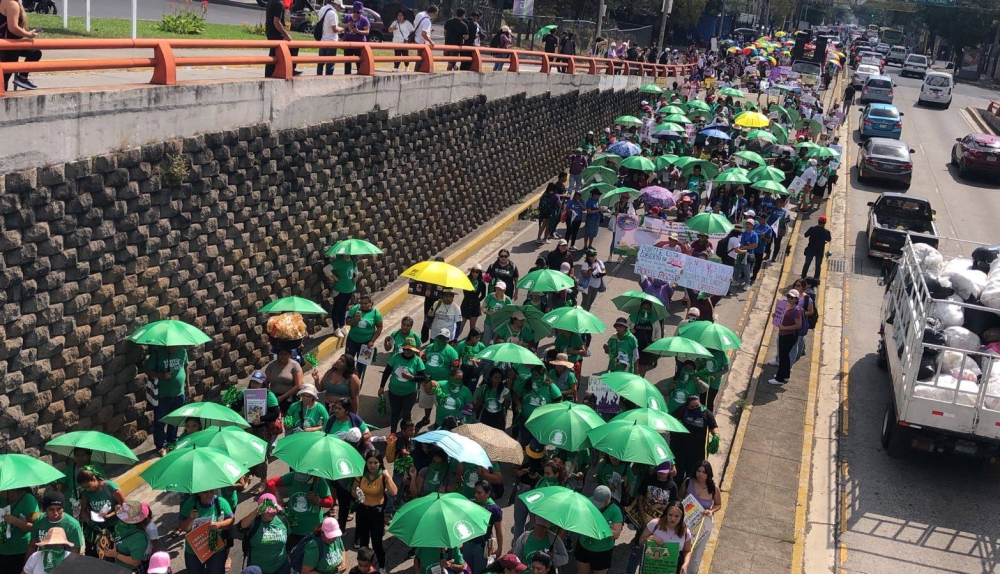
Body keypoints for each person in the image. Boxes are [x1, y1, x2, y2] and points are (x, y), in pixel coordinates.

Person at [233, 371, 280, 485]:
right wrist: (232, 400)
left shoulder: (269, 395)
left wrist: (261, 419)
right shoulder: (245, 392)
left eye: (258, 383)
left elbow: (275, 413)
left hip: (262, 428)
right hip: (247, 427)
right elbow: (236, 406)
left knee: (261, 455)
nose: (255, 385)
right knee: (246, 453)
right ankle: (248, 475)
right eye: (253, 382)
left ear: (263, 384)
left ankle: (263, 481)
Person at [266, 471, 333, 551]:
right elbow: (271, 482)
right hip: (293, 528)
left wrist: (316, 499)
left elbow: (330, 502)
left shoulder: (320, 481)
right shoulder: (294, 476)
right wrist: (277, 494)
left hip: (312, 529)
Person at [143, 344, 191, 456]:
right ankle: (160, 445)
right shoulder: (157, 354)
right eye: (171, 346)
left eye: (175, 346)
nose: (173, 348)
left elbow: (186, 367)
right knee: (160, 421)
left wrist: (188, 385)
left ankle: (172, 441)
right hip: (163, 395)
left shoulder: (182, 351)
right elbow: (148, 371)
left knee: (175, 419)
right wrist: (162, 375)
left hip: (179, 394)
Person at [352, 453, 397, 568]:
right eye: (370, 462)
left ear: (380, 463)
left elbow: (394, 492)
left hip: (376, 512)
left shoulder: (382, 476)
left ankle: (381, 566)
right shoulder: (361, 475)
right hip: (363, 511)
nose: (372, 465)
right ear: (366, 463)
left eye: (375, 463)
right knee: (363, 543)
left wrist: (388, 477)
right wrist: (357, 493)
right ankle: (364, 567)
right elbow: (353, 490)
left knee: (377, 544)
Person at [378, 336, 426, 433]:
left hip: (409, 393)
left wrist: (412, 377)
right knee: (395, 413)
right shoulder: (395, 357)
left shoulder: (417, 360)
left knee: (406, 414)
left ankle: (405, 433)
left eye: (411, 349)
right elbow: (387, 371)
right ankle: (393, 434)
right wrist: (382, 386)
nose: (408, 351)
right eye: (406, 349)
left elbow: (423, 377)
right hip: (394, 392)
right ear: (403, 349)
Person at [180, 490, 234, 574]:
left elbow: (231, 519)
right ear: (199, 493)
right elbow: (183, 528)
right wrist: (190, 518)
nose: (209, 495)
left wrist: (219, 525)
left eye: (211, 492)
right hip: (195, 548)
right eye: (205, 492)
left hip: (215, 548)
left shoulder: (220, 502)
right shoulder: (190, 504)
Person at [681, 462, 722, 573]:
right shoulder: (688, 482)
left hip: (702, 525)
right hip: (686, 521)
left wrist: (710, 511)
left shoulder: (713, 488)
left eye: (704, 472)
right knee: (681, 549)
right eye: (698, 471)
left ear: (708, 474)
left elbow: (718, 504)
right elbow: (680, 497)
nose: (700, 474)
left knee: (696, 554)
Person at [574, 486, 623, 574]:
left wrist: (600, 527)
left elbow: (616, 534)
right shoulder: (588, 501)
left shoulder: (615, 510)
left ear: (608, 500)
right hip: (583, 544)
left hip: (601, 551)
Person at [237, 494, 290, 574]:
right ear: (261, 511)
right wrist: (256, 511)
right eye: (269, 512)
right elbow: (241, 527)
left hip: (281, 567)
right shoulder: (254, 522)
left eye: (274, 510)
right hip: (258, 570)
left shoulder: (282, 520)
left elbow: (288, 538)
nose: (272, 513)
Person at [637, 501, 693, 574]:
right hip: (651, 567)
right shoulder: (655, 524)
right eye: (670, 515)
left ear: (681, 517)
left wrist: (685, 565)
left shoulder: (685, 532)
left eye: (676, 516)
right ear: (666, 514)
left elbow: (687, 551)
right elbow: (640, 541)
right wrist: (650, 539)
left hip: (672, 568)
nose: (672, 518)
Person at [53, 447, 106, 520]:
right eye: (77, 455)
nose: (80, 458)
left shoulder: (95, 467)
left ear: (89, 456)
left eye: (83, 455)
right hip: (73, 505)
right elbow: (61, 484)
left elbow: (103, 483)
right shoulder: (69, 469)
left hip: (93, 503)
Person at [463, 481, 504, 574]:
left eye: (479, 493)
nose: (476, 495)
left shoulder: (494, 509)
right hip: (467, 544)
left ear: (488, 493)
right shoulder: (470, 503)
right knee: (467, 571)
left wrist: (499, 549)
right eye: (475, 492)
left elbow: (499, 530)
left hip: (482, 548)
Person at [26, 492, 84, 558]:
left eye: (59, 509)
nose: (56, 513)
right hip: (43, 560)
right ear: (45, 510)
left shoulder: (72, 525)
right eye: (51, 509)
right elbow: (32, 546)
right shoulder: (39, 520)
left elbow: (75, 553)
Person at [0, 0, 40, 92]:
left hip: (11, 43)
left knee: (35, 52)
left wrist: (26, 32)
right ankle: (3, 98)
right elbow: (13, 28)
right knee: (5, 75)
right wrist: (28, 34)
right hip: (9, 44)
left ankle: (22, 78)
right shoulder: (11, 3)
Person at [769, 288, 804, 385]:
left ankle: (780, 378)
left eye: (792, 297)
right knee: (784, 356)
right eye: (788, 296)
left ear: (796, 299)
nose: (789, 299)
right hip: (783, 334)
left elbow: (798, 325)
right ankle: (785, 375)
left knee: (783, 357)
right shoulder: (786, 305)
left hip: (789, 336)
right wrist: (776, 316)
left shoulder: (797, 310)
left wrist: (785, 328)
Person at [104, 501, 150, 572]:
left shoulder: (139, 538)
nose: (120, 516)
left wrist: (115, 554)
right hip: (117, 566)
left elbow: (135, 562)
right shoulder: (121, 523)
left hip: (130, 570)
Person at [0, 487, 37, 572]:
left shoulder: (28, 499)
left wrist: (15, 521)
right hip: (2, 550)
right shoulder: (1, 499)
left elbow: (35, 527)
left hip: (20, 551)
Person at [266, 347, 304, 417]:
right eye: (280, 354)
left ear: (290, 355)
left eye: (285, 354)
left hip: (289, 399)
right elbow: (265, 382)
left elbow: (298, 385)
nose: (282, 356)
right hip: (273, 398)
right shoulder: (271, 365)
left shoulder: (295, 366)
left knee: (287, 421)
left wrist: (282, 397)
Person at [264, 0, 299, 78]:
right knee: (294, 47)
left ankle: (268, 74)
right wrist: (286, 35)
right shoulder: (279, 4)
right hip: (277, 34)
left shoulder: (271, 2)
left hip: (270, 32)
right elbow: (276, 22)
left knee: (273, 54)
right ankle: (291, 69)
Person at [341, 1, 371, 75]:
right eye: (354, 12)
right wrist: (347, 25)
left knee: (359, 62)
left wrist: (357, 31)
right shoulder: (347, 17)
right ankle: (347, 75)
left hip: (359, 44)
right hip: (348, 43)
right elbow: (341, 26)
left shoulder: (364, 19)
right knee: (347, 62)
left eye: (358, 12)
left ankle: (359, 75)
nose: (356, 14)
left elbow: (367, 32)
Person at [315, 0, 344, 76]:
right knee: (330, 64)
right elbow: (335, 29)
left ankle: (318, 77)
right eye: (339, 7)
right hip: (332, 41)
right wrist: (342, 29)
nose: (339, 8)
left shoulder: (322, 9)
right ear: (337, 5)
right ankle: (328, 79)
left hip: (323, 40)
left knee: (320, 63)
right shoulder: (333, 13)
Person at [481, 281, 512, 345]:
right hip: (489, 322)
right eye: (497, 289)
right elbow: (483, 307)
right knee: (486, 341)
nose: (498, 291)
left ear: (504, 290)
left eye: (500, 289)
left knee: (497, 342)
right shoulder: (490, 296)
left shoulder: (507, 300)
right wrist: (487, 312)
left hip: (500, 325)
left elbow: (510, 312)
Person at [461, 264, 488, 336]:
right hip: (466, 303)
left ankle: (470, 340)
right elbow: (464, 290)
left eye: (477, 272)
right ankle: (454, 340)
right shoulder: (467, 279)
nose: (475, 273)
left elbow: (483, 295)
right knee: (461, 325)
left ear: (479, 273)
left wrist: (477, 300)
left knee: (472, 326)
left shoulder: (481, 283)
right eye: (473, 271)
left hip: (475, 305)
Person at [801, 215, 831, 280]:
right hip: (819, 251)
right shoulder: (826, 232)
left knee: (807, 263)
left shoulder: (812, 228)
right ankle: (816, 278)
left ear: (818, 221)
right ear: (825, 223)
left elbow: (806, 235)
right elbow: (829, 239)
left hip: (810, 249)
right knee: (818, 265)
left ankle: (803, 276)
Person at [412, 6, 438, 72]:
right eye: (436, 14)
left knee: (419, 57)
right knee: (422, 58)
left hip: (416, 38)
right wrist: (431, 41)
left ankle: (416, 70)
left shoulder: (420, 14)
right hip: (422, 41)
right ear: (432, 13)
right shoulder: (427, 21)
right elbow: (423, 34)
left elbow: (414, 24)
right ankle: (417, 71)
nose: (435, 16)